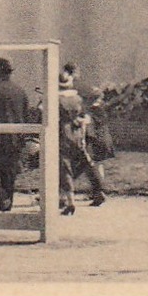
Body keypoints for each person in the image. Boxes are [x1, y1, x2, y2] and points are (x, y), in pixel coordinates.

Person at [56, 70, 106, 214]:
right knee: (85, 162)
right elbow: (84, 118)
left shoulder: (56, 99)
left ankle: (68, 200)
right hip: (77, 134)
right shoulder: (77, 99)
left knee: (64, 167)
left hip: (63, 134)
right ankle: (99, 190)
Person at [0, 57, 29, 211]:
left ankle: (0, 199)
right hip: (15, 138)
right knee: (9, 173)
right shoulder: (20, 91)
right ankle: (7, 200)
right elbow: (25, 115)